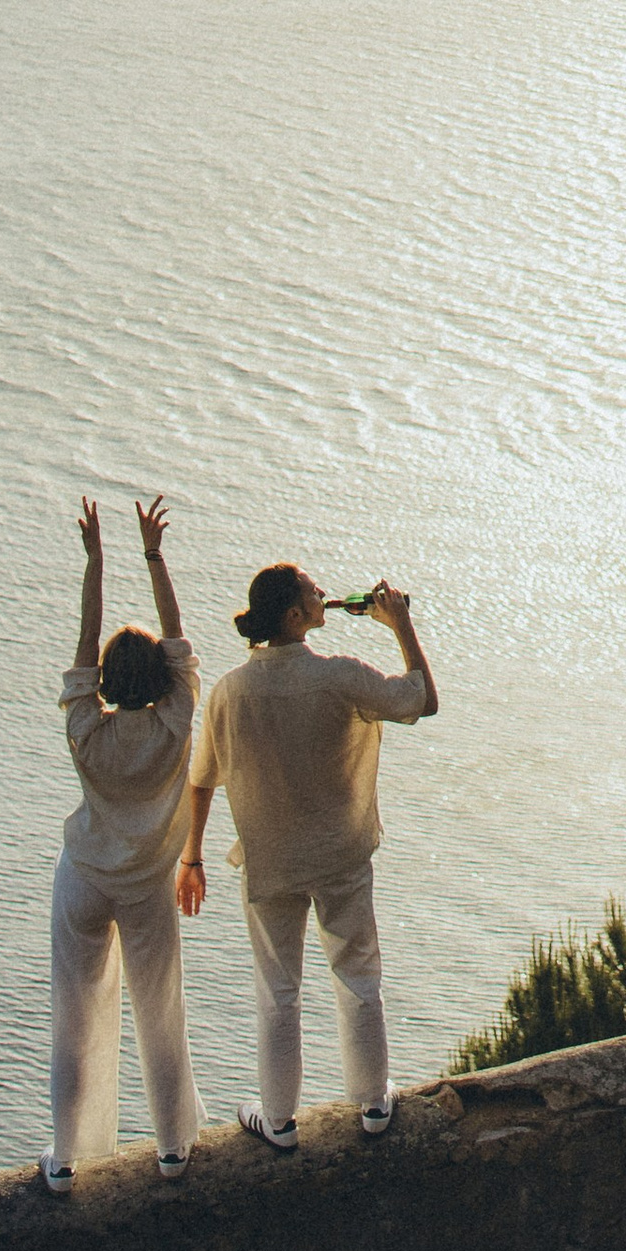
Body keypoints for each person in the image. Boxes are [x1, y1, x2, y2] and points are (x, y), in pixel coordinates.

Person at [178, 563, 437, 1150]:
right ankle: (373, 1104)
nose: (325, 595)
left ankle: (279, 1120)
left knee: (278, 990)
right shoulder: (339, 678)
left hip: (272, 861)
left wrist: (191, 856)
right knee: (358, 976)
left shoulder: (228, 691)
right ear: (295, 617)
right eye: (313, 592)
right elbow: (422, 700)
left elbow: (201, 781)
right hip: (340, 855)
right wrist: (402, 626)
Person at [46, 493, 206, 1194]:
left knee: (75, 1016)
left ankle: (67, 1157)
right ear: (164, 681)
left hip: (84, 878)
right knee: (159, 1012)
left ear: (106, 683)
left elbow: (85, 647)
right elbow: (177, 639)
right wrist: (153, 554)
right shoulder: (176, 722)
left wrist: (96, 562)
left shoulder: (87, 731)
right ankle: (172, 1148)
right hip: (146, 887)